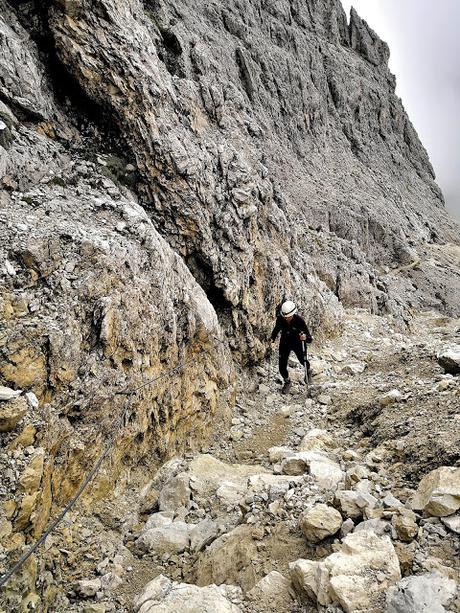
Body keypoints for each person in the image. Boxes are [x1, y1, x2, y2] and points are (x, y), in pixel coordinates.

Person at [271, 300, 312, 393]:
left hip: (298, 343)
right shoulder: (280, 319)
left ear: (293, 313)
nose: (286, 318)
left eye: (288, 317)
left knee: (303, 360)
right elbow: (276, 329)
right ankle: (287, 381)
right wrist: (272, 339)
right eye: (285, 316)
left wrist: (305, 337)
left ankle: (308, 371)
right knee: (281, 365)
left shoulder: (299, 321)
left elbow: (309, 338)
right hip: (285, 343)